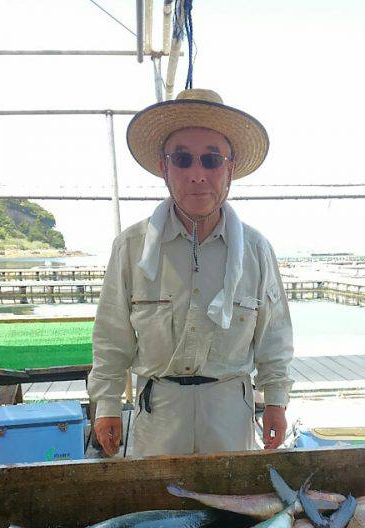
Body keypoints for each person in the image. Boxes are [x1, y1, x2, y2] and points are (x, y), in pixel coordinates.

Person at [89, 88, 294, 458]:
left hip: (231, 414)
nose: (197, 174)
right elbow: (111, 335)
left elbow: (273, 336)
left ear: (230, 169)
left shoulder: (257, 250)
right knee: (156, 495)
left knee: (230, 494)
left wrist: (276, 401)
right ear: (165, 168)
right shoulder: (130, 247)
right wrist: (107, 405)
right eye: (183, 159)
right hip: (158, 414)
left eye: (211, 160)